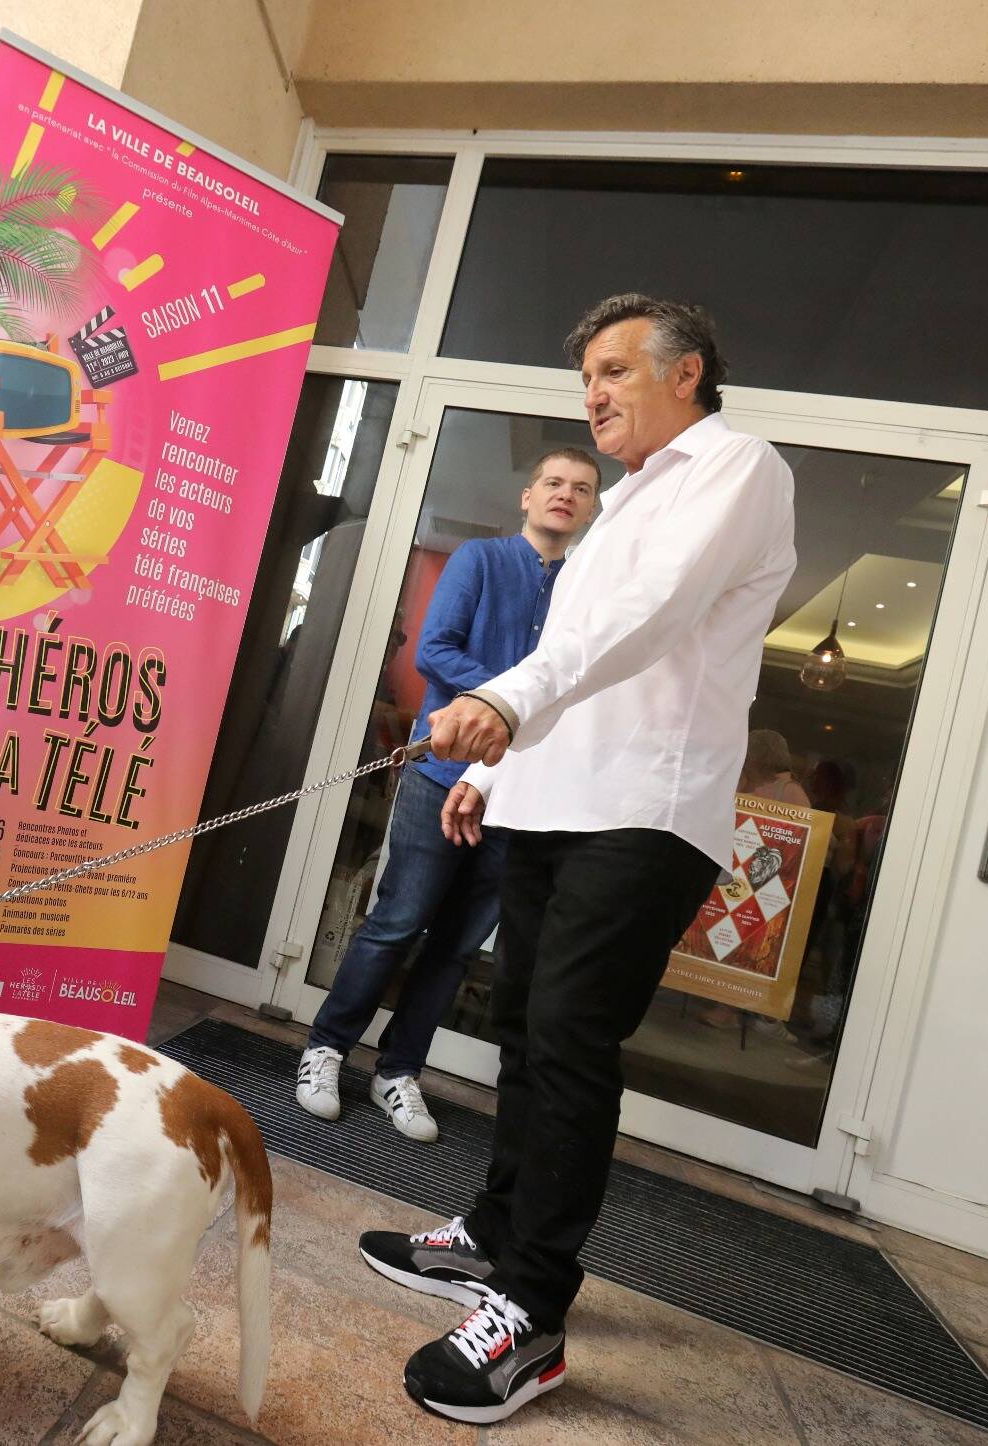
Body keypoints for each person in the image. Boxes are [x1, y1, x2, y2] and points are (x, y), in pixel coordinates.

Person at [359, 294, 796, 1425]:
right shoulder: (629, 499)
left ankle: (533, 1313)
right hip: (555, 799)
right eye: (586, 378)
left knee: (565, 1043)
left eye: (613, 370)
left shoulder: (736, 468)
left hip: (644, 812)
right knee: (519, 1030)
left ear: (686, 373)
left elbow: (651, 618)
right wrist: (500, 773)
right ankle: (492, 1235)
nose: (592, 395)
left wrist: (504, 704)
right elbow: (577, 657)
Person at [296, 448, 600, 1141]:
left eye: (581, 489)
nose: (565, 494)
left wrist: (530, 708)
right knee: (398, 922)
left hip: (519, 795)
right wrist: (515, 699)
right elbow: (434, 651)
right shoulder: (479, 560)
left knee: (458, 947)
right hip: (439, 777)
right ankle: (327, 1048)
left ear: (590, 509)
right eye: (554, 482)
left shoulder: (586, 591)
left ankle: (398, 1072)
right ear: (528, 496)